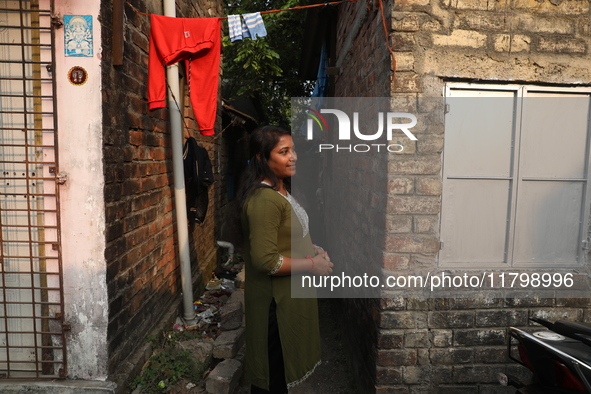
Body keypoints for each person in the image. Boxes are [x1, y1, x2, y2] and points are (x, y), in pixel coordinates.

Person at [237, 125, 334, 393]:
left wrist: (310, 247)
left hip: (288, 298)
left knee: (279, 372)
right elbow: (266, 261)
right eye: (283, 151)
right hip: (274, 306)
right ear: (261, 158)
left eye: (293, 150)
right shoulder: (264, 199)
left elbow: (284, 233)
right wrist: (314, 265)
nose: (293, 157)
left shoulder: (279, 190)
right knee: (273, 378)